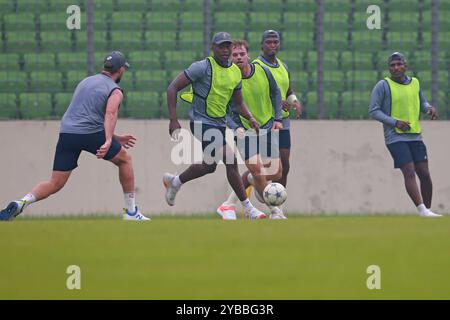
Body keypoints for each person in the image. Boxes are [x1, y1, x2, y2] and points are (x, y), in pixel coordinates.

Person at [0, 51, 150, 221]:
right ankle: (131, 212)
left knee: (55, 182)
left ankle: (22, 202)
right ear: (121, 70)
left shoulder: (86, 82)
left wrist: (115, 137)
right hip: (90, 133)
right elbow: (110, 113)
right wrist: (109, 140)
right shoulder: (115, 90)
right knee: (125, 159)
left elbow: (83, 115)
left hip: (67, 133)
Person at [163, 32, 267, 220]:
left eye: (228, 46)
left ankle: (175, 182)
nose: (226, 50)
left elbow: (238, 102)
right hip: (200, 122)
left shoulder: (235, 72)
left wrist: (250, 117)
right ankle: (248, 208)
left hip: (219, 124)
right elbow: (173, 87)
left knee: (209, 166)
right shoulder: (201, 67)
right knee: (230, 158)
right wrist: (173, 119)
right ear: (213, 48)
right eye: (221, 46)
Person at [216, 39, 286, 220]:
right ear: (230, 58)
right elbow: (224, 107)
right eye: (234, 55)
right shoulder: (227, 79)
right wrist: (235, 126)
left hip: (267, 126)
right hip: (244, 132)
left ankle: (241, 189)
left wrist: (278, 118)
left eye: (241, 54)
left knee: (275, 172)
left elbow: (276, 93)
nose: (238, 57)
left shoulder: (263, 71)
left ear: (248, 55)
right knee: (257, 169)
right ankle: (274, 211)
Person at [369, 52, 441, 217]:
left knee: (424, 173)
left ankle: (427, 211)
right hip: (395, 137)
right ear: (389, 68)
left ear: (405, 65)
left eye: (398, 64)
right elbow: (373, 111)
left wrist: (429, 108)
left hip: (415, 135)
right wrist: (395, 122)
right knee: (408, 171)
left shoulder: (415, 82)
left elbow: (421, 101)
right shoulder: (383, 85)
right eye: (392, 65)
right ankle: (422, 210)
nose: (395, 68)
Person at [253, 30, 302, 189]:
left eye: (276, 42)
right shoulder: (256, 66)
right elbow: (256, 94)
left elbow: (287, 90)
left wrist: (293, 100)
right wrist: (277, 103)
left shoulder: (283, 66)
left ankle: (278, 207)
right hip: (265, 120)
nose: (273, 45)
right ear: (262, 45)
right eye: (269, 42)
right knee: (271, 166)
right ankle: (247, 181)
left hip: (283, 121)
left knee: (285, 166)